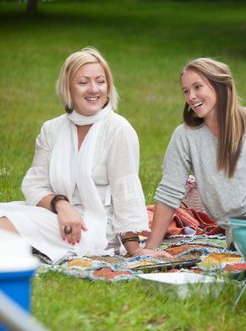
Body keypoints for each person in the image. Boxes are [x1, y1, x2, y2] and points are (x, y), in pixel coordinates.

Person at [0, 47, 149, 262]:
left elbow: (125, 189)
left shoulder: (118, 129)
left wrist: (133, 248)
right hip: (54, 215)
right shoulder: (51, 129)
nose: (93, 89)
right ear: (68, 87)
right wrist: (62, 205)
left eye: (100, 81)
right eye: (83, 82)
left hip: (93, 227)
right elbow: (35, 184)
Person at [139, 58, 246, 256]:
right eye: (186, 91)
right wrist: (150, 249)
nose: (191, 96)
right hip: (242, 228)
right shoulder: (185, 136)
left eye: (197, 87)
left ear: (220, 86)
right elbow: (169, 192)